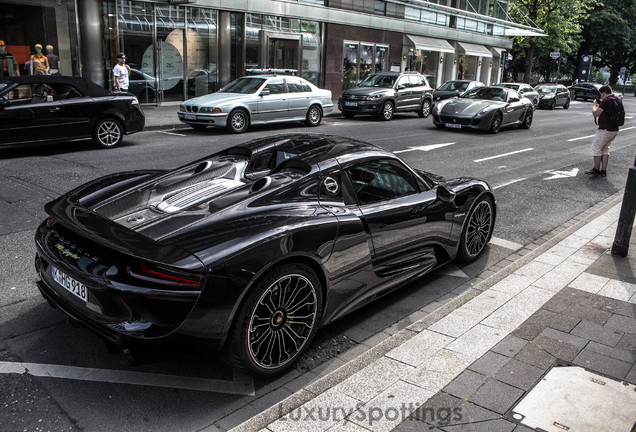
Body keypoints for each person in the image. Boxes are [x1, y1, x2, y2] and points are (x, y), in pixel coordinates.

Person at [585, 84, 620, 177]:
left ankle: (596, 168)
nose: (601, 96)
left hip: (605, 130)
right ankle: (603, 170)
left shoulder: (606, 101)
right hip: (614, 129)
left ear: (604, 93)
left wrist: (594, 105)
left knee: (596, 148)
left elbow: (596, 114)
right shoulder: (617, 99)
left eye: (601, 95)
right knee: (605, 149)